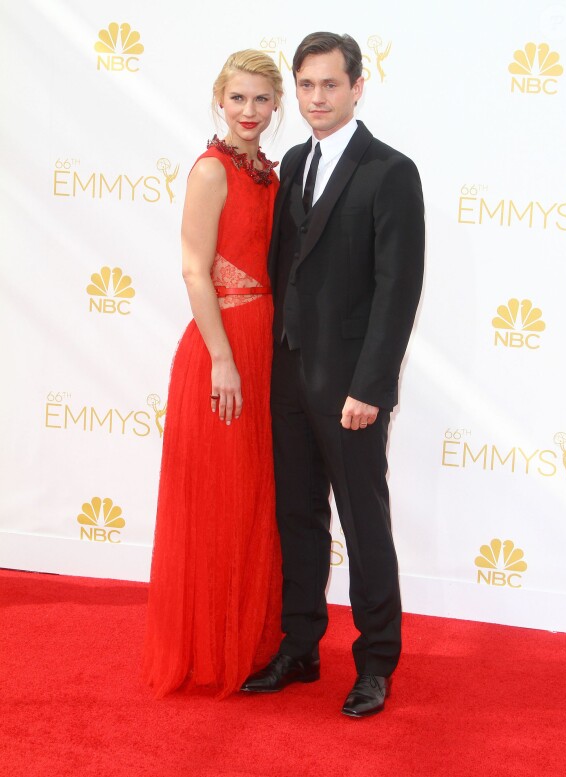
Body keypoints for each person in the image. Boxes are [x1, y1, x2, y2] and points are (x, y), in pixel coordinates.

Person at [241, 32, 425, 717]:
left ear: (357, 87)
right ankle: (301, 645)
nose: (317, 98)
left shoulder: (389, 171)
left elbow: (396, 289)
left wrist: (371, 387)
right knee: (298, 516)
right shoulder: (293, 160)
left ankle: (376, 661)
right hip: (288, 376)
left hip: (350, 387)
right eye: (307, 85)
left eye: (330, 85)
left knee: (364, 523)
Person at [143, 50, 284, 699]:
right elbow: (195, 269)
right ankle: (208, 647)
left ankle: (249, 637)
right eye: (238, 99)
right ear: (218, 101)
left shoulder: (268, 172)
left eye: (261, 100)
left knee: (253, 497)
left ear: (276, 105)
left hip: (264, 347)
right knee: (220, 499)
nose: (250, 112)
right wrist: (223, 357)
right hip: (221, 351)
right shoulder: (210, 170)